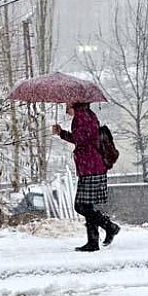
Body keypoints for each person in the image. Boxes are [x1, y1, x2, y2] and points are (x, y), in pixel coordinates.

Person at [52, 102, 120, 252]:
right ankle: (93, 242)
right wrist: (62, 133)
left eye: (66, 104)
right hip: (91, 166)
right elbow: (82, 139)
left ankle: (110, 227)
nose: (65, 107)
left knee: (80, 205)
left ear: (73, 103)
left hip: (91, 167)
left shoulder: (82, 117)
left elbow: (80, 140)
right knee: (88, 206)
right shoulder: (86, 115)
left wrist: (62, 133)